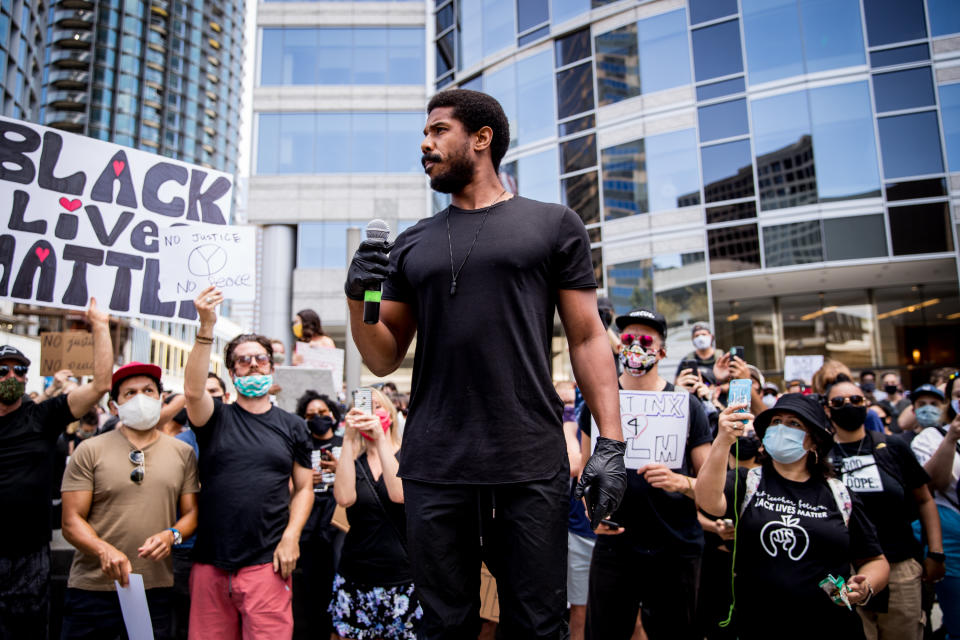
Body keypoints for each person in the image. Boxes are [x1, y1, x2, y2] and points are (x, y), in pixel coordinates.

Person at [344, 89, 625, 639]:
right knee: (444, 624)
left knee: (536, 624)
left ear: (481, 138)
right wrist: (357, 299)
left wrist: (610, 444)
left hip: (527, 457)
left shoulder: (553, 224)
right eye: (423, 135)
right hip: (434, 461)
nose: (425, 145)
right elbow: (382, 357)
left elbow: (589, 335)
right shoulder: (411, 243)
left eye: (438, 131)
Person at [696, 393, 890, 640]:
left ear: (814, 441)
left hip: (830, 627)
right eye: (776, 421)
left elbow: (876, 560)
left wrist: (864, 587)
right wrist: (722, 441)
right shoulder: (748, 481)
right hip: (757, 626)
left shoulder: (839, 493)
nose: (781, 429)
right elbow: (708, 501)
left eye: (794, 424)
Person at [183, 286, 314, 640]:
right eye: (243, 359)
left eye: (260, 358)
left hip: (266, 566)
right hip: (210, 565)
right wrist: (205, 326)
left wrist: (291, 536)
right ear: (231, 371)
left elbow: (304, 488)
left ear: (272, 366)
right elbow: (193, 392)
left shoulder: (294, 426)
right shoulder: (215, 418)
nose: (253, 364)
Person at [583, 308, 711, 640]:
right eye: (628, 339)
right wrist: (590, 509)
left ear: (662, 352)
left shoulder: (688, 406)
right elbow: (585, 472)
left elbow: (714, 488)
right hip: (616, 547)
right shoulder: (597, 403)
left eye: (645, 341)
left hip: (675, 548)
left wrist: (681, 482)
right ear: (619, 347)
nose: (636, 347)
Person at [60, 362, 200, 640]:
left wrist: (172, 535)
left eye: (148, 391)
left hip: (154, 587)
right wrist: (102, 550)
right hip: (92, 588)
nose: (141, 399)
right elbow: (71, 521)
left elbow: (191, 513)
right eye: (130, 393)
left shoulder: (183, 453)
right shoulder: (89, 451)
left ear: (160, 398)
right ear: (114, 407)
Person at [0, 300, 112, 639]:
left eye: (19, 370)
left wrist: (101, 325)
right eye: (2, 370)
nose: (11, 376)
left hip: (29, 556)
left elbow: (100, 386)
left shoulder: (41, 416)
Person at [825, 376, 944, 640]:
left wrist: (935, 553)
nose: (848, 405)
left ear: (866, 404)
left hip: (900, 566)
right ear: (826, 408)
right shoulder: (818, 456)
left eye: (856, 400)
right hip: (838, 572)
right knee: (844, 632)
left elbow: (924, 499)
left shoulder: (893, 446)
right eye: (839, 401)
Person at [329, 388, 422, 639]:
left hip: (403, 576)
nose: (371, 412)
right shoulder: (353, 459)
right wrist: (348, 439)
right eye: (364, 407)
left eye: (378, 407)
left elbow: (399, 495)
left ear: (390, 415)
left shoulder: (409, 456)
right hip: (357, 574)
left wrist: (380, 439)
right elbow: (344, 498)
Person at [910, 376, 960, 640]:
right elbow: (932, 484)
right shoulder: (930, 437)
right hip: (953, 536)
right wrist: (951, 438)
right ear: (951, 401)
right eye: (959, 395)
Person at [293, 390, 343, 639]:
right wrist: (303, 481)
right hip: (308, 526)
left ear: (333, 414)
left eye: (322, 413)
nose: (318, 418)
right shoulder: (300, 448)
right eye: (311, 415)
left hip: (338, 525)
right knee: (312, 585)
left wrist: (341, 470)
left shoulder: (346, 445)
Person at [676, 321, 722, 386]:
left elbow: (732, 383)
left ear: (711, 337)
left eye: (703, 334)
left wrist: (716, 389)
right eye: (697, 336)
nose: (700, 338)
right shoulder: (687, 360)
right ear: (692, 339)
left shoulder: (721, 357)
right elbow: (677, 383)